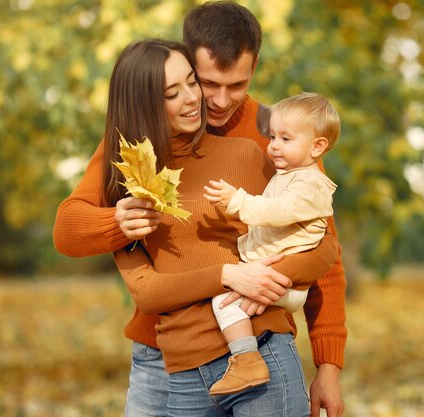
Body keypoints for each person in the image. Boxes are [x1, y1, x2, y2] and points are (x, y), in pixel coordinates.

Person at [53, 2, 347, 416]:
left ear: (254, 66)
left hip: (257, 340)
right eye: (207, 83)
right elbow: (68, 229)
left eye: (237, 84)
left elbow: (323, 253)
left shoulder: (278, 138)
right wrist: (118, 221)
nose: (219, 101)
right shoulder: (137, 146)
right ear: (186, 63)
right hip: (162, 353)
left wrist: (328, 366)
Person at [203, 92, 340, 396]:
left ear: (317, 146)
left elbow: (278, 213)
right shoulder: (290, 175)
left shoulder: (310, 184)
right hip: (275, 272)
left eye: (286, 139)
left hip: (287, 286)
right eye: (273, 136)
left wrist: (237, 201)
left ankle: (247, 359)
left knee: (222, 303)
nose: (273, 145)